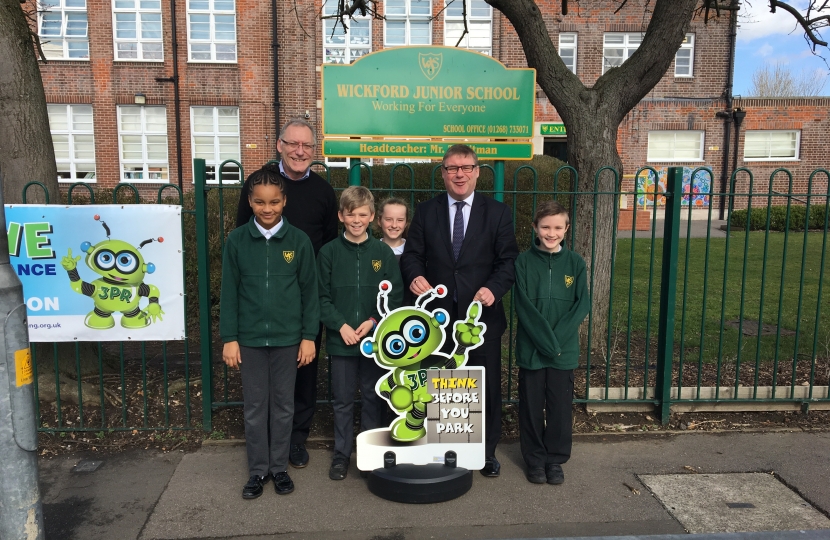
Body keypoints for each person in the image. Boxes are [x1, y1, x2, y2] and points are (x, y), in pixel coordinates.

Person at [400, 144, 519, 477]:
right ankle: (449, 448)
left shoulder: (497, 212)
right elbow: (411, 255)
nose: (459, 174)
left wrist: (494, 289)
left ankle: (487, 451)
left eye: (466, 167)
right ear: (443, 173)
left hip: (481, 319)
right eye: (452, 168)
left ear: (478, 171)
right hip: (438, 320)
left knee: (486, 385)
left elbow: (509, 260)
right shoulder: (426, 212)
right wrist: (416, 275)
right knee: (443, 383)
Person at [236, 118, 338, 469]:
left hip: (304, 297)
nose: (300, 151)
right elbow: (241, 235)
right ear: (279, 145)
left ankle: (296, 438)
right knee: (263, 381)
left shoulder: (324, 192)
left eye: (307, 146)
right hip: (263, 302)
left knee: (304, 370)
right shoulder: (259, 184)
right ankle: (264, 446)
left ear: (314, 150)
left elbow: (328, 244)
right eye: (293, 144)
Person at [220, 165, 320, 499]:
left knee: (283, 406)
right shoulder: (237, 241)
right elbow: (229, 292)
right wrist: (229, 338)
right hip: (248, 340)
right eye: (261, 202)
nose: (267, 209)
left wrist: (309, 336)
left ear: (284, 202)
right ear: (250, 202)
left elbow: (310, 291)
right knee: (255, 407)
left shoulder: (299, 241)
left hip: (288, 339)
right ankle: (257, 471)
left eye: (274, 202)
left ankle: (279, 468)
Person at [317, 186, 403, 480]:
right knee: (341, 400)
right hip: (341, 342)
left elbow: (394, 296)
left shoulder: (382, 253)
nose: (357, 220)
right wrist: (340, 325)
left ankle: (369, 453)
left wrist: (374, 321)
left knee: (371, 396)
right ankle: (342, 454)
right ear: (341, 216)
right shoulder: (328, 253)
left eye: (363, 214)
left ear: (372, 217)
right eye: (351, 214)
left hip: (373, 342)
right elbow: (321, 297)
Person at [513, 200, 590, 485]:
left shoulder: (575, 263)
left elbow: (582, 305)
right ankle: (534, 460)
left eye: (558, 227)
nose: (551, 233)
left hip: (563, 350)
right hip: (532, 349)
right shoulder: (523, 262)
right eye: (545, 227)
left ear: (566, 229)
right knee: (531, 407)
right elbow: (524, 306)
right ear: (535, 227)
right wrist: (546, 342)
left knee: (559, 407)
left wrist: (556, 343)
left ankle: (554, 460)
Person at [376, 197, 410, 261]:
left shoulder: (413, 251)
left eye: (400, 220)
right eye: (389, 219)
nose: (394, 225)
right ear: (379, 221)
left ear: (406, 223)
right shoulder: (372, 249)